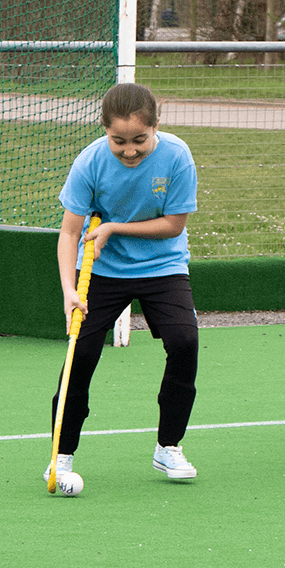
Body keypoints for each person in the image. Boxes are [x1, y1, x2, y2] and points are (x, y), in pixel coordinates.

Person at [46, 82, 201, 486]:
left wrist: (115, 226)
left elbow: (174, 225)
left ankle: (169, 448)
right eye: (119, 141)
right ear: (105, 131)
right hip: (101, 272)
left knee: (184, 342)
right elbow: (68, 234)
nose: (129, 150)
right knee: (79, 359)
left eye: (139, 140)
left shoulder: (177, 157)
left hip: (163, 267)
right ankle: (60, 456)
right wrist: (68, 289)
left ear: (155, 128)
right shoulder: (90, 163)